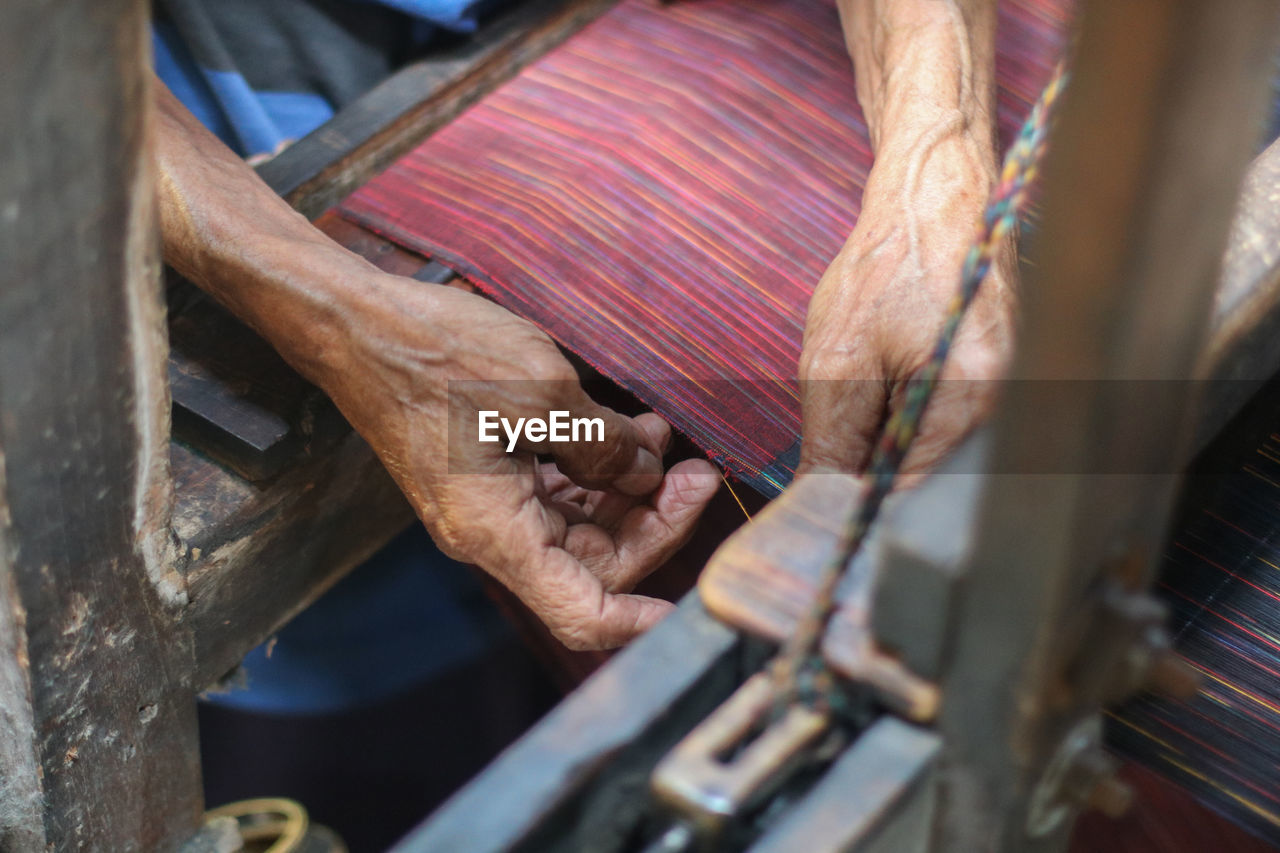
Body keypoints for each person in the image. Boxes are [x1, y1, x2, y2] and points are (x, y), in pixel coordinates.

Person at [155, 0, 1011, 652]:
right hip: (226, 113)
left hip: (637, 38)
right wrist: (338, 322)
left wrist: (938, 192)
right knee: (398, 684)